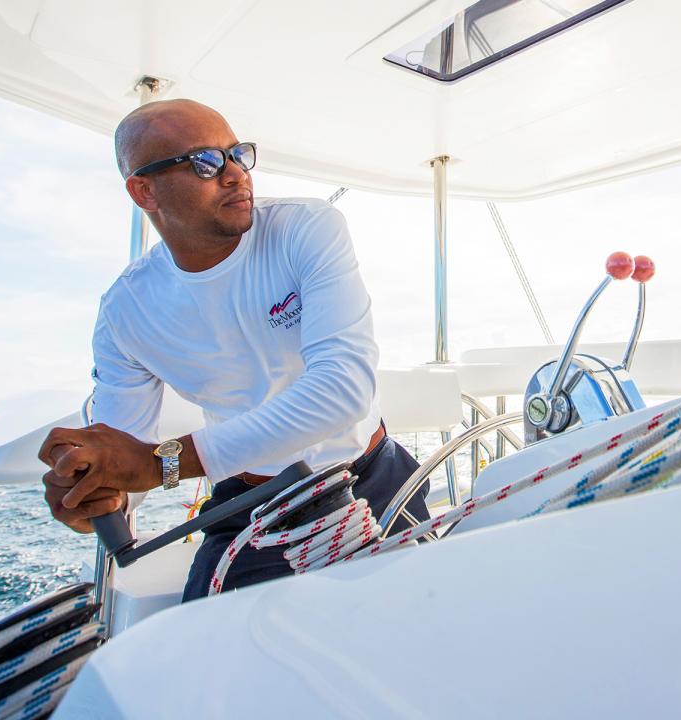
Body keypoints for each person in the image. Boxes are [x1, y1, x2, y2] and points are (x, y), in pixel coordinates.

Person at [37, 99, 429, 601]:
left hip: (374, 477)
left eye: (238, 154)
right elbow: (122, 451)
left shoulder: (305, 228)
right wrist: (95, 495)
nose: (236, 174)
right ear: (144, 191)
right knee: (205, 643)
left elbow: (342, 390)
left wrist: (162, 465)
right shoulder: (125, 311)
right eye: (205, 162)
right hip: (253, 505)